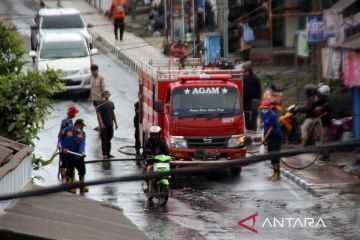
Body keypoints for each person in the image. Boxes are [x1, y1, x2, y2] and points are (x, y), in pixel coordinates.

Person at [59, 119, 88, 194]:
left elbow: (82, 143)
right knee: (70, 171)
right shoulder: (67, 130)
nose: (82, 128)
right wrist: (63, 147)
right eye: (81, 126)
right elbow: (61, 138)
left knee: (82, 170)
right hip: (68, 154)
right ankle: (71, 185)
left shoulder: (82, 133)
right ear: (77, 125)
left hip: (78, 155)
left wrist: (82, 152)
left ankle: (82, 184)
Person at [260, 100, 282, 181]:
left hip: (275, 136)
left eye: (265, 108)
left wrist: (264, 139)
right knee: (271, 155)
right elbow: (263, 122)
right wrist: (260, 123)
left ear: (269, 107)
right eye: (262, 108)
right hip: (269, 136)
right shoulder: (263, 113)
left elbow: (271, 129)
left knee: (275, 156)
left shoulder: (273, 115)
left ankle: (277, 174)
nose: (264, 109)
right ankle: (274, 173)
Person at [57, 105, 79, 182]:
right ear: (72, 114)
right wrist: (63, 146)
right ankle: (65, 177)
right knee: (66, 161)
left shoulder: (70, 121)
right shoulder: (65, 122)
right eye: (75, 113)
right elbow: (60, 135)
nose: (76, 114)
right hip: (65, 145)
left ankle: (70, 177)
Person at [97, 90, 118, 159]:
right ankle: (104, 154)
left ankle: (108, 153)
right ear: (103, 95)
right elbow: (99, 114)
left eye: (108, 94)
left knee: (109, 139)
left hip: (110, 124)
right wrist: (101, 123)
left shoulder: (111, 103)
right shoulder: (100, 103)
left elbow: (112, 113)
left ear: (109, 95)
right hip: (104, 125)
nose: (107, 96)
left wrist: (115, 122)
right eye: (105, 94)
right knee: (104, 139)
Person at [315, 84, 332, 161]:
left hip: (326, 123)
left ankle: (326, 156)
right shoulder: (323, 100)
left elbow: (322, 109)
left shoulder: (326, 102)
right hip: (324, 123)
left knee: (325, 140)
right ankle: (325, 154)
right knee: (323, 139)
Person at [243, 66, 262, 131]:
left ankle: (253, 128)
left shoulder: (255, 78)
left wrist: (259, 99)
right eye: (245, 72)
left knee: (254, 114)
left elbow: (259, 89)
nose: (246, 73)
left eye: (247, 72)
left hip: (254, 99)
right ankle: (248, 127)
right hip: (245, 99)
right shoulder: (243, 78)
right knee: (246, 114)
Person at [89, 64, 106, 131]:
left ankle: (102, 125)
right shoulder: (92, 77)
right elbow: (91, 88)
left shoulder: (101, 78)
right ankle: (100, 124)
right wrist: (90, 97)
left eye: (95, 71)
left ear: (97, 70)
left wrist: (103, 98)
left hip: (99, 99)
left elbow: (103, 89)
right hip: (94, 99)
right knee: (97, 113)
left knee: (100, 113)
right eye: (92, 71)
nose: (94, 72)